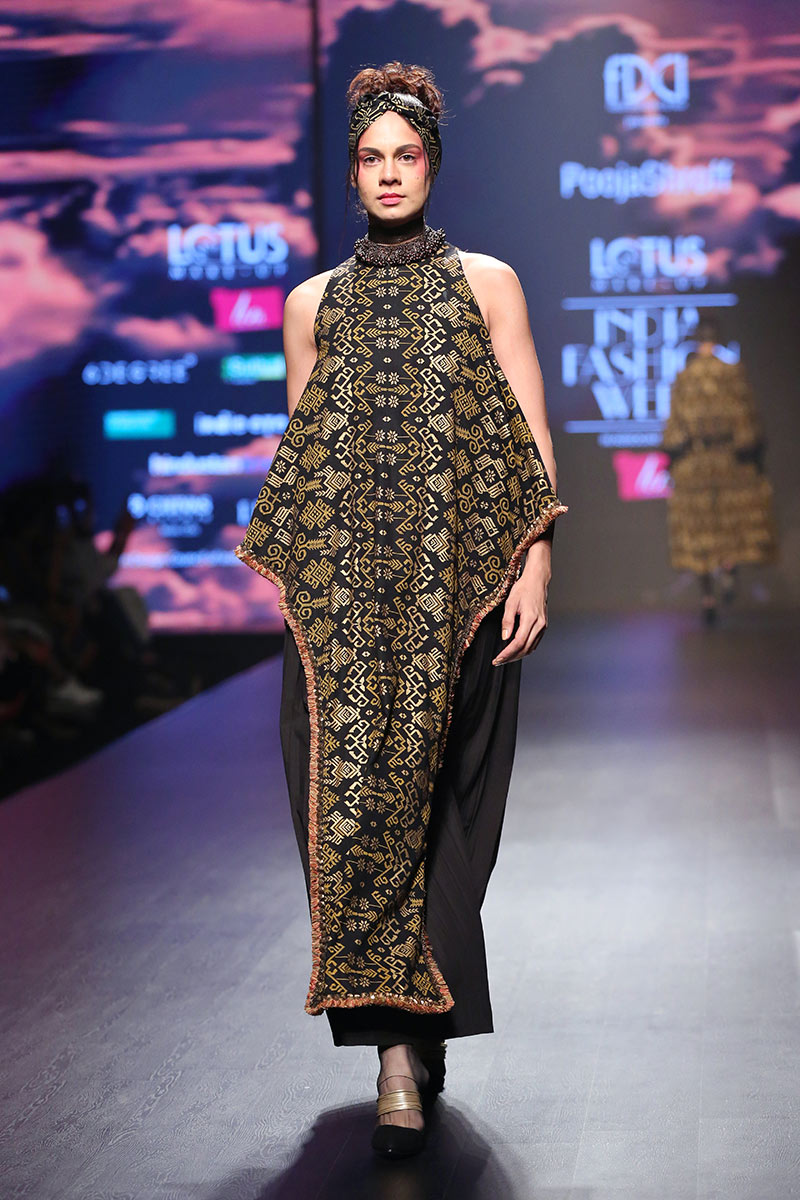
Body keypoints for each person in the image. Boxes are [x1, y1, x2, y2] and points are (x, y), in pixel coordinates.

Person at [236, 61, 566, 1158]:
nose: (388, 174)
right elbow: (308, 467)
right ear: (351, 173)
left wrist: (535, 563)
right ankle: (393, 1058)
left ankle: (422, 1025)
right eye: (371, 158)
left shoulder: (487, 284)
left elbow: (526, 432)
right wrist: (305, 601)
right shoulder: (310, 306)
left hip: (461, 597)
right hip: (348, 619)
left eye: (406, 154)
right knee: (357, 824)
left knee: (454, 817)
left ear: (432, 164)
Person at [663, 316, 777, 625]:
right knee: (728, 524)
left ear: (696, 339)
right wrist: (750, 453)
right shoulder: (732, 373)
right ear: (718, 338)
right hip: (729, 461)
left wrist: (673, 455)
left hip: (695, 463)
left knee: (699, 531)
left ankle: (707, 596)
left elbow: (674, 429)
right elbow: (746, 420)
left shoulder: (684, 377)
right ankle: (728, 567)